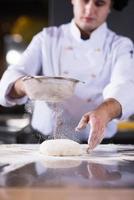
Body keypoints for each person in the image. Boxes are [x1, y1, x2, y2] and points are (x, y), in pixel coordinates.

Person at [0, 0, 134, 149]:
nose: (89, 9)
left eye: (99, 3)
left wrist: (104, 112)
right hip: (41, 142)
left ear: (109, 7)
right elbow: (13, 74)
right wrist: (26, 86)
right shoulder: (47, 38)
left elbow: (125, 85)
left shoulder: (119, 45)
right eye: (85, 1)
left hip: (95, 146)